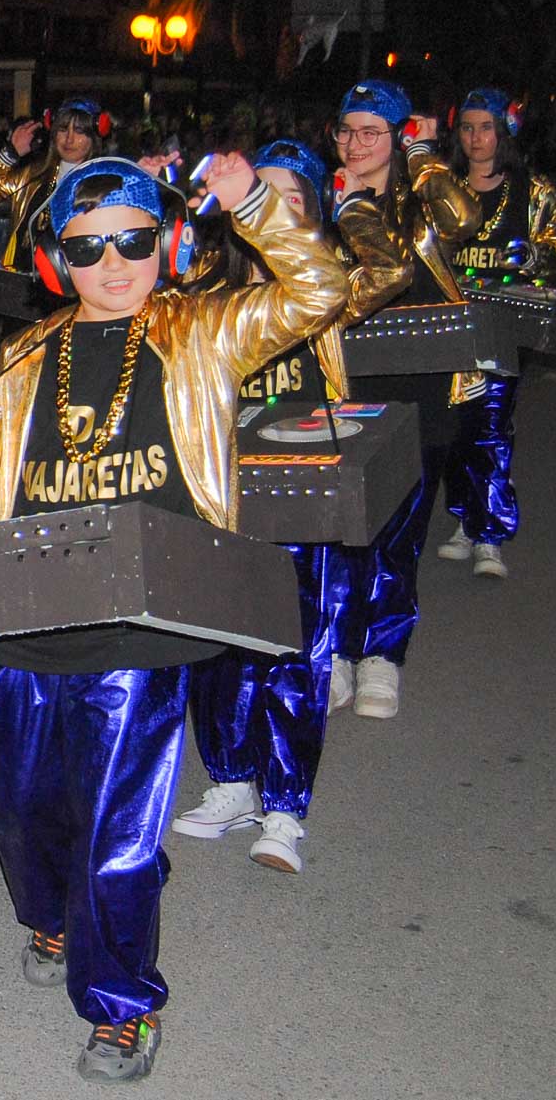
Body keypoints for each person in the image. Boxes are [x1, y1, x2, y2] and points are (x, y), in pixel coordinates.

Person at [0, 154, 347, 1081]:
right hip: (31, 607)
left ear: (167, 243)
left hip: (143, 621)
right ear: (58, 259)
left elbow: (321, 289)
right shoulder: (24, 353)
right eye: (90, 248)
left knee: (115, 824)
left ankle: (122, 999)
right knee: (13, 796)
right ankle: (58, 912)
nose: (115, 262)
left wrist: (253, 203)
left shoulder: (206, 327)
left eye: (134, 240)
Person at [172, 139, 412, 876]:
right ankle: (233, 781)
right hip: (220, 491)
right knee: (214, 650)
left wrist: (357, 204)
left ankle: (284, 804)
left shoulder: (328, 288)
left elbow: (392, 267)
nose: (256, 205)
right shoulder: (203, 288)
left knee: (292, 648)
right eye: (246, 193)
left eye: (278, 195)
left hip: (301, 495)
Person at [327, 79, 482, 720]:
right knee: (340, 527)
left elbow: (465, 221)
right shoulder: (324, 198)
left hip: (424, 382)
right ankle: (333, 651)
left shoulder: (424, 202)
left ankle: (381, 655)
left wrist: (421, 158)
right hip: (346, 379)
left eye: (372, 132)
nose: (355, 144)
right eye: (347, 130)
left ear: (398, 136)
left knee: (400, 529)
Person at [436, 88, 556, 580]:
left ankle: (489, 533)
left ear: (504, 132)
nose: (476, 138)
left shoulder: (532, 190)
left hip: (502, 328)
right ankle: (464, 518)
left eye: (486, 127)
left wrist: (531, 258)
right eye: (468, 128)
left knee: (490, 427)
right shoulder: (441, 187)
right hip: (448, 330)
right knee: (453, 433)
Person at [0, 97, 109, 271]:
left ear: (94, 136)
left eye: (79, 131)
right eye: (63, 129)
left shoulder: (106, 185)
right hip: (28, 278)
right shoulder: (33, 176)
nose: (69, 139)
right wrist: (10, 154)